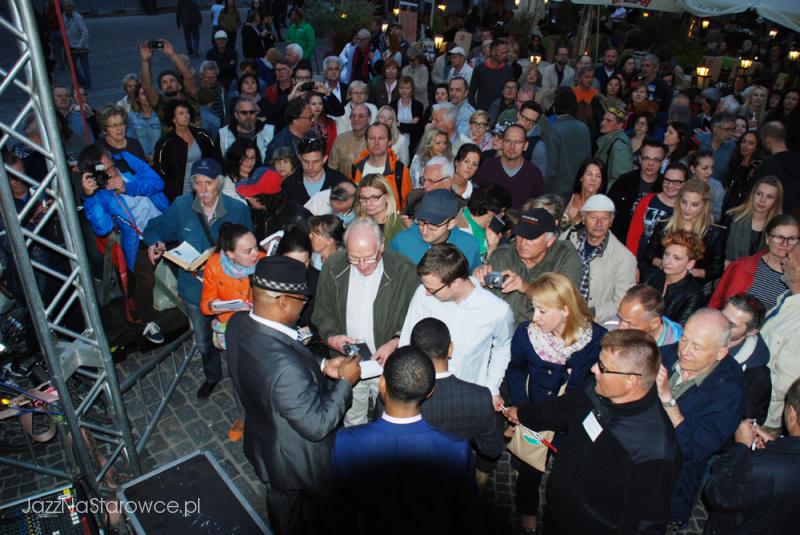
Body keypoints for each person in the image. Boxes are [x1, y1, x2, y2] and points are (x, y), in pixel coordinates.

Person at [226, 256, 360, 535]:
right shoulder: (285, 368)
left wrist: (321, 365)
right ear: (284, 302)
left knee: (282, 506)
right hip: (301, 460)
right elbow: (317, 425)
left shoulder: (238, 324)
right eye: (303, 300)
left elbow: (275, 365)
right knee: (323, 514)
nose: (304, 307)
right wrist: (346, 382)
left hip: (265, 445)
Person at [504, 329, 678, 534]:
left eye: (603, 367)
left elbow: (646, 523)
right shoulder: (597, 389)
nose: (594, 368)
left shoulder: (655, 449)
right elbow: (558, 411)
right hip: (557, 514)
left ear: (631, 380)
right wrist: (523, 413)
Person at [331, 346, 480, 534]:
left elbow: (340, 512)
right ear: (430, 392)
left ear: (382, 384)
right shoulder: (456, 449)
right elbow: (467, 515)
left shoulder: (346, 442)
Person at [505, 272, 606, 533]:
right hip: (536, 413)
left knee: (568, 472)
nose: (535, 318)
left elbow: (595, 385)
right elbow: (516, 370)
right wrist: (521, 407)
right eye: (534, 309)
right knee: (529, 469)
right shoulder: (526, 335)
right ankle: (527, 510)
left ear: (565, 310)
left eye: (542, 311)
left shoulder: (596, 339)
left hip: (573, 422)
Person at [144, 159, 252, 399]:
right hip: (195, 290)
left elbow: (250, 248)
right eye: (197, 183)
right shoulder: (182, 206)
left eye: (208, 183)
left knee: (237, 337)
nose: (202, 190)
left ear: (220, 184)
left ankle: (243, 380)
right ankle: (212, 375)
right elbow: (154, 227)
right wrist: (155, 243)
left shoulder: (238, 209)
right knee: (204, 340)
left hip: (229, 291)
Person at [312, 218, 418, 426]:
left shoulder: (404, 270)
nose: (361, 266)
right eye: (354, 258)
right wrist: (332, 337)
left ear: (382, 246)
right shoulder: (334, 265)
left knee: (389, 420)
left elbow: (414, 317)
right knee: (352, 418)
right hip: (350, 361)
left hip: (388, 364)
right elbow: (322, 313)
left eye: (369, 258)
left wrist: (396, 341)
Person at [656, 308, 745, 525]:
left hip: (667, 487)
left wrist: (669, 401)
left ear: (720, 353)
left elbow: (693, 449)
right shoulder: (664, 355)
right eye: (684, 340)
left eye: (697, 347)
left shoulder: (728, 392)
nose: (685, 351)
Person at [399, 243, 512, 401]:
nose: (426, 292)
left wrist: (492, 388)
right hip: (423, 391)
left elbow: (503, 346)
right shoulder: (422, 295)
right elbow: (407, 339)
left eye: (432, 289)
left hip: (468, 394)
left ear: (456, 283)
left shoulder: (496, 310)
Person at [79, 144, 168, 344]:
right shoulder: (99, 194)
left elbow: (158, 183)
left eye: (110, 167)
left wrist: (128, 186)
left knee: (189, 259)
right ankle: (147, 320)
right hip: (140, 238)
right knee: (143, 275)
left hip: (165, 222)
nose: (109, 174)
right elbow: (102, 228)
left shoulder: (127, 162)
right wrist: (90, 197)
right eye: (104, 171)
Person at [408, 317, 505, 480]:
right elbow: (492, 449)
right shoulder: (479, 397)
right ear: (450, 348)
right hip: (455, 474)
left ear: (414, 353)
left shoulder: (399, 396)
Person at [704, 378, 800, 534]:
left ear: (792, 413)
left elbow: (719, 493)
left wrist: (740, 446)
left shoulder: (762, 466)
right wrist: (775, 445)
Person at [199, 223, 264, 441]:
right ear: (230, 254)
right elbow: (206, 305)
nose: (256, 253)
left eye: (256, 246)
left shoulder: (263, 260)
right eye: (248, 251)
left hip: (259, 325)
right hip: (231, 328)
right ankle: (244, 417)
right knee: (238, 374)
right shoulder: (215, 265)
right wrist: (231, 305)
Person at [474, 208, 581, 324]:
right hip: (502, 332)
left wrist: (526, 288)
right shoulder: (501, 256)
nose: (522, 243)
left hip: (543, 332)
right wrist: (478, 281)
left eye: (530, 237)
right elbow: (484, 305)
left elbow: (566, 301)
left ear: (550, 241)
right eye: (520, 235)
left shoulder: (565, 257)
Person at [561, 194, 636, 324]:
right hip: (559, 311)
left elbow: (622, 302)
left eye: (605, 218)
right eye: (593, 217)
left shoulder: (624, 258)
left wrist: (588, 314)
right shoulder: (567, 239)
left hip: (593, 322)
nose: (599, 224)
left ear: (611, 221)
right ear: (583, 218)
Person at [640, 179, 725, 286]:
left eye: (694, 204)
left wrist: (692, 272)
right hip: (660, 280)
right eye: (684, 202)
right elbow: (648, 253)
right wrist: (664, 264)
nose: (687, 209)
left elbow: (717, 269)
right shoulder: (665, 223)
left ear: (705, 205)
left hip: (692, 286)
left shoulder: (714, 233)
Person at [711, 214, 797, 311]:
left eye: (792, 239)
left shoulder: (797, 279)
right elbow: (716, 303)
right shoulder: (740, 266)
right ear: (767, 239)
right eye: (779, 237)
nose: (785, 244)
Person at [761, 245, 800, 431]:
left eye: (789, 258)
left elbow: (788, 383)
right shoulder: (786, 298)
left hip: (765, 421)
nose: (783, 261)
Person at [389, 190, 481, 270]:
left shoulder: (470, 245)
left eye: (433, 226)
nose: (424, 231)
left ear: (451, 223)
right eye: (421, 222)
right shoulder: (400, 241)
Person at [720, 293, 772, 424]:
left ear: (751, 331)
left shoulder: (755, 375)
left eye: (732, 325)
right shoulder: (697, 331)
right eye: (722, 316)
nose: (721, 325)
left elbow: (747, 423)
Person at [152, 99, 217, 201]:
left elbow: (214, 158)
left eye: (187, 112)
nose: (186, 116)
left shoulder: (202, 134)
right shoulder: (165, 142)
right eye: (181, 113)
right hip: (178, 193)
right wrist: (172, 185)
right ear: (173, 118)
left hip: (203, 190)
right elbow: (160, 168)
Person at [643, 230, 707, 325]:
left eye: (677, 258)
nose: (667, 261)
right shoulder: (652, 277)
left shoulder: (694, 295)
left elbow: (677, 331)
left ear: (690, 264)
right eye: (666, 254)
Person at [473, 124, 544, 209]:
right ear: (502, 143)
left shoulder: (534, 175)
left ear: (525, 146)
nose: (512, 147)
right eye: (508, 141)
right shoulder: (486, 167)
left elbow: (538, 206)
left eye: (517, 142)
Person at [608, 139, 666, 241]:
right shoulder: (624, 181)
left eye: (656, 160)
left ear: (662, 162)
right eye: (646, 158)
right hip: (620, 240)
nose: (650, 163)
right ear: (639, 159)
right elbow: (608, 209)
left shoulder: (666, 187)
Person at [351, 122, 412, 210]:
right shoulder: (356, 167)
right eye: (372, 138)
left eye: (381, 138)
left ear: (389, 142)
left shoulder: (401, 172)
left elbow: (407, 206)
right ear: (366, 141)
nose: (376, 142)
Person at [724, 176, 782, 263]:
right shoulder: (731, 217)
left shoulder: (779, 229)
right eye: (759, 194)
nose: (762, 200)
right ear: (752, 194)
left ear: (776, 201)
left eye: (769, 197)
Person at [139, 39, 198, 123]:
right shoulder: (159, 103)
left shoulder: (190, 97)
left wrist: (172, 54)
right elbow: (147, 87)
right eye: (164, 82)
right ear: (161, 88)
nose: (169, 84)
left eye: (172, 80)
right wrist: (145, 61)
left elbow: (188, 78)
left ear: (180, 85)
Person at [549, 88, 592, 199]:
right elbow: (588, 159)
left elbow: (550, 166)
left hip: (557, 190)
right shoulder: (584, 128)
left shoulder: (552, 130)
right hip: (580, 188)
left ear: (554, 108)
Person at [281, 136, 346, 205]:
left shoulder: (339, 182)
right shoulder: (289, 185)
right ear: (300, 158)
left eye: (315, 162)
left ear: (324, 159)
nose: (310, 167)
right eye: (306, 161)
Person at [754, 121, 800, 216]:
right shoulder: (797, 159)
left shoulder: (766, 166)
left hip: (772, 217)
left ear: (767, 140)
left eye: (762, 140)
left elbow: (755, 194)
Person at [616, 284, 683, 346]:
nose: (620, 328)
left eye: (630, 324)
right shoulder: (622, 317)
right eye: (620, 318)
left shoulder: (677, 350)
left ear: (654, 323)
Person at [216, 96, 274, 161]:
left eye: (252, 112)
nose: (248, 116)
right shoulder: (223, 134)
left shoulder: (270, 131)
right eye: (244, 113)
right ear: (236, 115)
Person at [353, 174, 405, 245]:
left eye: (374, 197)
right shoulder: (358, 225)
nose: (368, 203)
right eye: (364, 198)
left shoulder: (398, 227)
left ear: (387, 196)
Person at [468, 38, 514, 111]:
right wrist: (475, 109)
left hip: (500, 111)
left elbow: (512, 91)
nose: (505, 55)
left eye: (506, 53)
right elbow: (471, 93)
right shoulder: (480, 69)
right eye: (502, 53)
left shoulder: (508, 70)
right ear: (493, 52)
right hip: (482, 111)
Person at [722, 131, 762, 214]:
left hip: (742, 209)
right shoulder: (734, 163)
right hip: (726, 205)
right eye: (744, 141)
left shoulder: (755, 168)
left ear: (756, 148)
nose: (745, 146)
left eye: (750, 143)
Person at [263, 97, 314, 164]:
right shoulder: (278, 145)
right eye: (309, 118)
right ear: (295, 120)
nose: (313, 120)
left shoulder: (313, 135)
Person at [595, 106, 634, 189]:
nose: (603, 123)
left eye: (609, 121)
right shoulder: (609, 139)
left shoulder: (620, 146)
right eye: (603, 119)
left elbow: (619, 180)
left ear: (620, 125)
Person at [328, 103, 369, 180]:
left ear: (368, 118)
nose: (356, 119)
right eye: (353, 116)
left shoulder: (375, 140)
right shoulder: (340, 140)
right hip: (345, 187)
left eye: (361, 116)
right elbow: (332, 170)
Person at [562, 158, 605, 227]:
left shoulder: (603, 209)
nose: (593, 179)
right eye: (589, 174)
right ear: (581, 177)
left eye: (598, 176)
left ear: (601, 182)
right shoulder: (566, 198)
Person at [127, 83, 162, 161]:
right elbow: (130, 141)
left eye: (149, 94)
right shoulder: (132, 117)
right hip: (142, 161)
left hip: (161, 160)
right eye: (143, 94)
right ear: (137, 99)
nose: (148, 97)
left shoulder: (161, 115)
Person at [689, 150, 725, 222]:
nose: (710, 172)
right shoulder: (683, 184)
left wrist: (710, 218)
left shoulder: (716, 187)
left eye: (712, 167)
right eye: (705, 168)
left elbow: (718, 215)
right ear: (693, 169)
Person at [221, 139, 260, 204]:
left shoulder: (259, 177)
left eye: (252, 158)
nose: (250, 162)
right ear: (235, 159)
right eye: (245, 158)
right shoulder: (227, 184)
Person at [63, 1, 91, 89]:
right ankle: (80, 81)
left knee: (84, 66)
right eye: (66, 7)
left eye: (69, 7)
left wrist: (80, 45)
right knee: (72, 66)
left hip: (81, 47)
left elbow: (85, 32)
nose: (67, 9)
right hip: (71, 46)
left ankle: (87, 83)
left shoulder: (78, 17)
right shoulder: (63, 17)